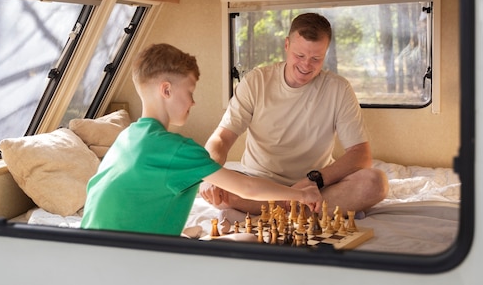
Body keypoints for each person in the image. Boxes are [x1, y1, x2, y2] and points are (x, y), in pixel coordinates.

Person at [81, 43, 322, 236]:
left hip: (88, 251)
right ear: (166, 90)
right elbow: (247, 187)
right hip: (130, 265)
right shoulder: (177, 149)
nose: (193, 102)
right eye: (190, 92)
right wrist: (302, 195)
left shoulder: (126, 136)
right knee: (249, 243)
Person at [200, 13, 389, 216]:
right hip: (259, 186)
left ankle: (288, 208)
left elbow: (361, 155)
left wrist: (313, 180)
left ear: (325, 53)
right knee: (219, 191)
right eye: (300, 56)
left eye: (316, 58)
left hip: (315, 186)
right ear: (287, 45)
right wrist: (209, 174)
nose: (306, 65)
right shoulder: (256, 82)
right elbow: (221, 138)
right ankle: (302, 209)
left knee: (375, 183)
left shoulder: (339, 88)